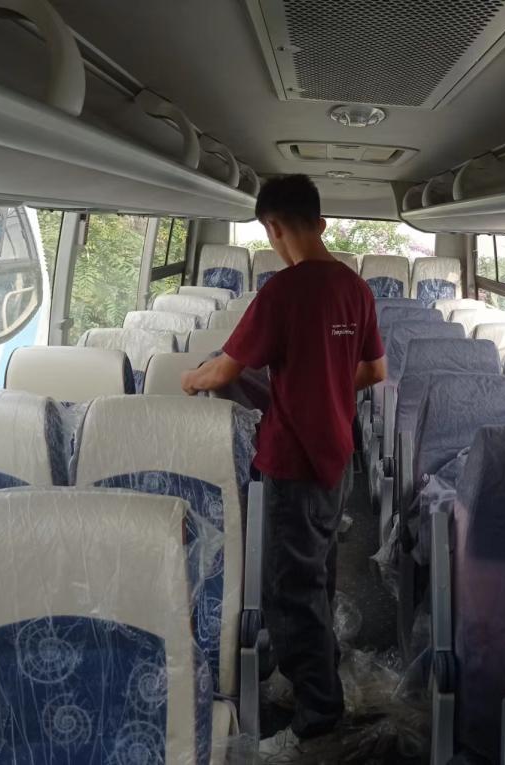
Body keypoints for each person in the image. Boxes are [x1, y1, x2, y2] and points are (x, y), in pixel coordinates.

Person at [181, 174, 386, 762]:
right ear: (319, 223)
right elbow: (375, 372)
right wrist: (327, 381)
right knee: (317, 570)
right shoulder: (355, 288)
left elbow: (224, 371)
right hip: (336, 454)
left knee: (287, 590)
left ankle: (317, 716)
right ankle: (312, 668)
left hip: (293, 458)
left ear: (271, 229)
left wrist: (189, 378)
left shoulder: (282, 292)